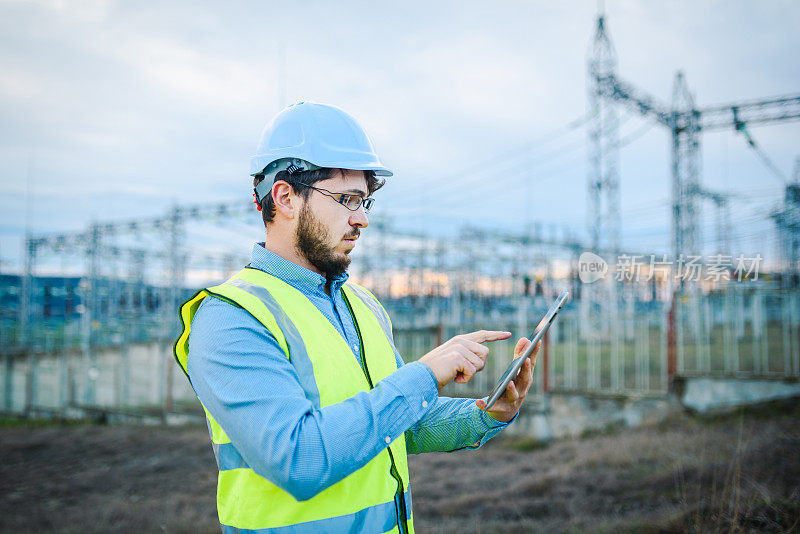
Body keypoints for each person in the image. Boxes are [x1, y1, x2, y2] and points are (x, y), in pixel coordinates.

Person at [174, 101, 540, 534]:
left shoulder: (361, 305)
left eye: (365, 202)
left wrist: (486, 413)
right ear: (285, 197)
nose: (361, 219)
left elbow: (400, 422)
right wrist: (423, 375)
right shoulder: (232, 318)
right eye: (346, 198)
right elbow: (299, 459)